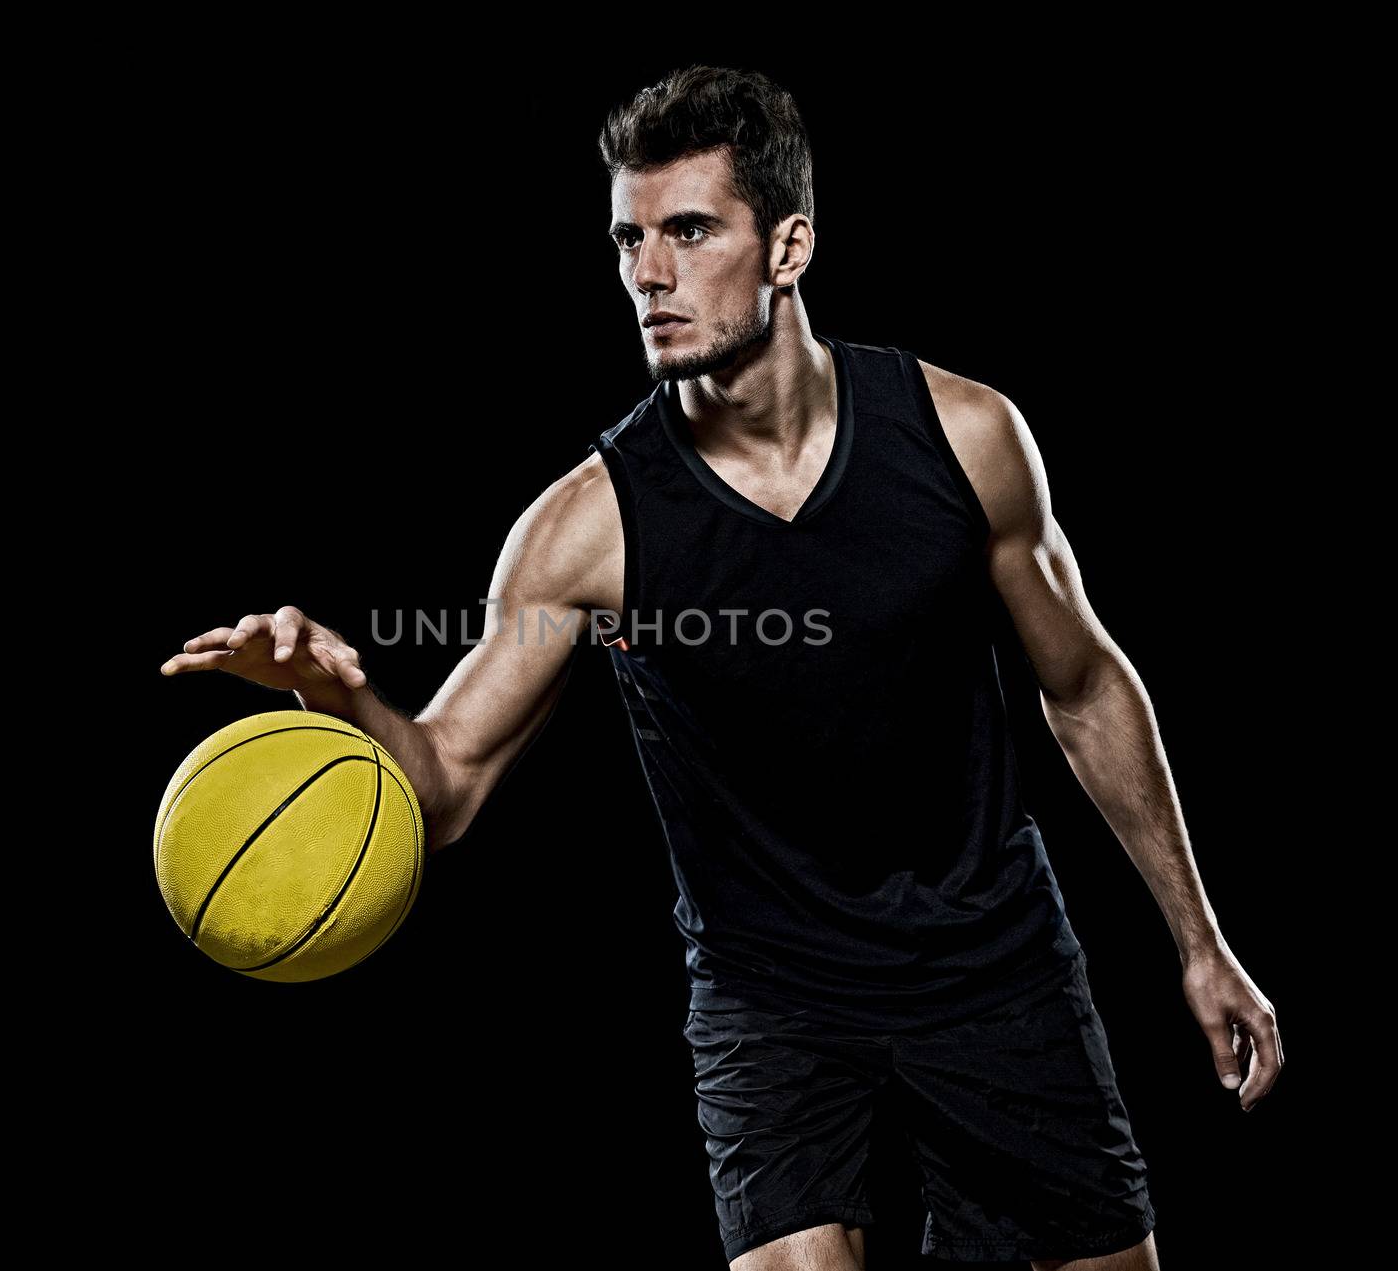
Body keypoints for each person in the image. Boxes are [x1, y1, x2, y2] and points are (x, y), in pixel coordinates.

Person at [158, 64, 1282, 1270]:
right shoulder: (588, 533)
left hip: (988, 963)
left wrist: (1198, 939)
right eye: (628, 237)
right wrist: (342, 699)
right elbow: (441, 786)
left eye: (688, 231)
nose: (648, 272)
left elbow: (1085, 686)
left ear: (788, 244)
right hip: (771, 996)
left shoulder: (965, 440)